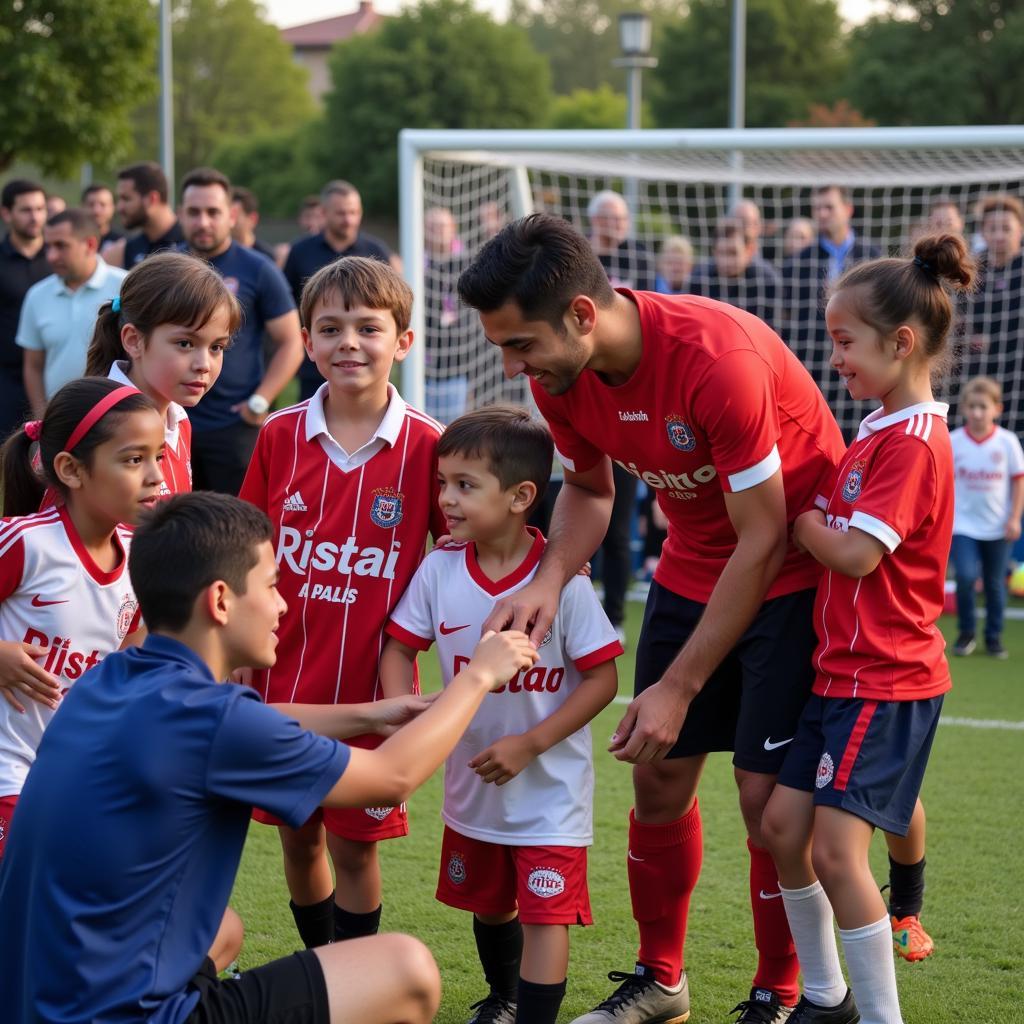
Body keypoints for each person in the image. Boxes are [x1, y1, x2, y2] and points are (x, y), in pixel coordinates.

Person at [457, 213, 846, 1024]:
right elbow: (594, 493)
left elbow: (766, 536)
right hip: (696, 567)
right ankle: (662, 981)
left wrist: (678, 684)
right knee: (660, 777)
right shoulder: (559, 378)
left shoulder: (716, 363)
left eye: (520, 344)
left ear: (582, 317)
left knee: (762, 798)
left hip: (796, 574)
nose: (510, 365)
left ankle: (777, 991)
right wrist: (551, 577)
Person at [0, 489, 539, 1024]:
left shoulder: (112, 678)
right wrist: (477, 676)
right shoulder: (212, 720)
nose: (283, 604)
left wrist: (371, 714)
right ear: (219, 601)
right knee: (407, 970)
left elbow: (255, 721)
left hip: (36, 998)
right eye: (273, 585)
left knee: (222, 930)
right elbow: (390, 777)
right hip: (118, 1015)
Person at [761, 235, 974, 1024]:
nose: (836, 358)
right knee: (784, 828)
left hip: (883, 679)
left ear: (902, 342)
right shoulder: (878, 428)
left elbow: (852, 555)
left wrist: (802, 517)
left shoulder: (915, 444)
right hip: (839, 673)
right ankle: (826, 1000)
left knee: (833, 852)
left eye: (845, 342)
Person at [381, 406, 622, 1024]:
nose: (447, 499)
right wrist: (406, 720)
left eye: (464, 485)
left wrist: (531, 744)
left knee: (546, 914)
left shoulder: (561, 582)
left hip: (549, 791)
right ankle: (503, 997)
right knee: (489, 904)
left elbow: (602, 680)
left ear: (521, 496)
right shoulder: (439, 569)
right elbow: (401, 646)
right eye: (442, 483)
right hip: (472, 784)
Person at [239, 255, 446, 950]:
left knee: (357, 850)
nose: (348, 342)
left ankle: (357, 976)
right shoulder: (278, 436)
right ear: (306, 340)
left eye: (368, 327)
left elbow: (460, 556)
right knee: (299, 844)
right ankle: (320, 968)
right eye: (329, 328)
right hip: (282, 687)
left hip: (375, 693)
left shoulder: (430, 447)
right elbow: (247, 549)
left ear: (404, 342)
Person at [0, 377, 163, 858]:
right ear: (71, 469)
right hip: (8, 769)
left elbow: (130, 664)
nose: (156, 475)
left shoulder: (140, 560)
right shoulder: (24, 543)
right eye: (134, 459)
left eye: (158, 456)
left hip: (73, 774)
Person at [178, 167, 303, 495]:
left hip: (233, 428)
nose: (203, 222)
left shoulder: (258, 268)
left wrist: (260, 402)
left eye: (213, 212)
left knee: (233, 530)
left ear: (232, 215)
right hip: (171, 421)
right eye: (193, 212)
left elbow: (292, 341)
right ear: (180, 214)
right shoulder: (166, 268)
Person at [84, 251, 242, 496]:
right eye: (185, 343)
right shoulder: (101, 428)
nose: (204, 365)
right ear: (134, 340)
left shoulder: (178, 418)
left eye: (216, 347)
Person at [284, 180, 395, 401]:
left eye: (354, 212)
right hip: (315, 362)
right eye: (341, 213)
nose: (349, 220)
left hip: (363, 361)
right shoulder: (300, 251)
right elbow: (290, 303)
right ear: (324, 213)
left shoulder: (376, 251)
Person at [781, 186, 880, 418]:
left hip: (861, 362)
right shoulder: (797, 263)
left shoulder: (873, 257)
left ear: (847, 209)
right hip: (814, 365)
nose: (822, 214)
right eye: (817, 208)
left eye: (829, 207)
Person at [17, 208, 127, 416]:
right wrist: (42, 417)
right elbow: (33, 366)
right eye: (48, 246)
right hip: (60, 419)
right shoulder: (36, 295)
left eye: (61, 246)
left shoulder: (126, 285)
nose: (51, 256)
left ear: (91, 244)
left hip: (119, 417)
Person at [948, 375, 1024, 659]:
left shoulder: (1007, 442)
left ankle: (993, 637)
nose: (977, 413)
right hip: (962, 526)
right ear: (964, 409)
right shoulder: (953, 441)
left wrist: (1015, 518)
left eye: (983, 406)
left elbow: (1019, 482)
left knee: (994, 584)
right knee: (966, 578)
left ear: (997, 409)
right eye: (972, 406)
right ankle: (966, 633)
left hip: (998, 527)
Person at [966, 194, 1024, 440]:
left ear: (1020, 230)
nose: (999, 235)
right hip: (982, 370)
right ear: (983, 232)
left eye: (1006, 228)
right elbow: (960, 319)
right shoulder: (973, 271)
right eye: (992, 229)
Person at [0, 180, 49, 437]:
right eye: (26, 210)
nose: (35, 217)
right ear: (6, 213)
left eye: (40, 209)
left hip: (52, 376)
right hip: (7, 380)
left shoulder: (58, 259)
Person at [423, 205, 477, 422]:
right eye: (432, 226)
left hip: (458, 361)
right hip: (424, 362)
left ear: (453, 228)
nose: (438, 231)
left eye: (442, 226)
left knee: (452, 427)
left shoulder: (469, 262)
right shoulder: (417, 263)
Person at [688, 216, 781, 331]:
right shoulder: (699, 279)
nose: (727, 261)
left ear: (749, 250)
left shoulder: (767, 281)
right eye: (722, 253)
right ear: (714, 252)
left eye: (733, 253)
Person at [108, 161, 185, 269]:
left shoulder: (190, 243)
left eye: (126, 199)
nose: (119, 207)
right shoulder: (130, 247)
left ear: (152, 199)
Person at [231, 186, 278, 262]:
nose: (229, 221)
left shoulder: (266, 257)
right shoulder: (215, 256)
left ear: (253, 219)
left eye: (234, 215)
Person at [82, 183, 123, 252]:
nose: (96, 210)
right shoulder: (73, 241)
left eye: (103, 205)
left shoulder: (122, 243)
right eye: (91, 205)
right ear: (82, 207)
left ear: (113, 208)